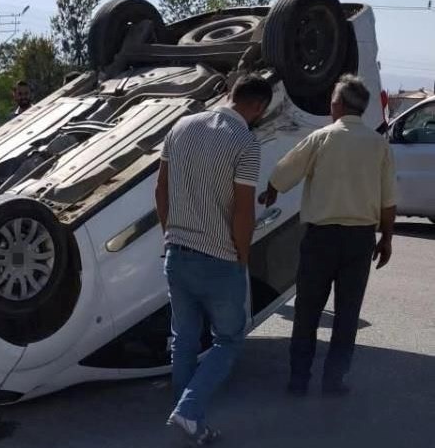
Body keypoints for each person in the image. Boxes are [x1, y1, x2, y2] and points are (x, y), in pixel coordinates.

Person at [259, 75, 396, 396]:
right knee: (347, 313)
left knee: (307, 311)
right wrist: (386, 239)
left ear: (338, 104)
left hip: (321, 239)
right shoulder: (378, 145)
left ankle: (299, 379)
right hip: (360, 240)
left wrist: (272, 191)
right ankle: (334, 380)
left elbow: (283, 173)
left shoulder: (322, 138)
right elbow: (388, 200)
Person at [155, 74, 273, 444]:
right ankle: (189, 411)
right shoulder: (246, 143)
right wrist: (242, 257)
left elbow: (161, 189)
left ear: (230, 94)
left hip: (177, 253)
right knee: (228, 340)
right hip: (219, 259)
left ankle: (186, 418)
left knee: (184, 339)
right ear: (258, 107)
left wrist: (169, 234)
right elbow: (243, 210)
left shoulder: (181, 127)